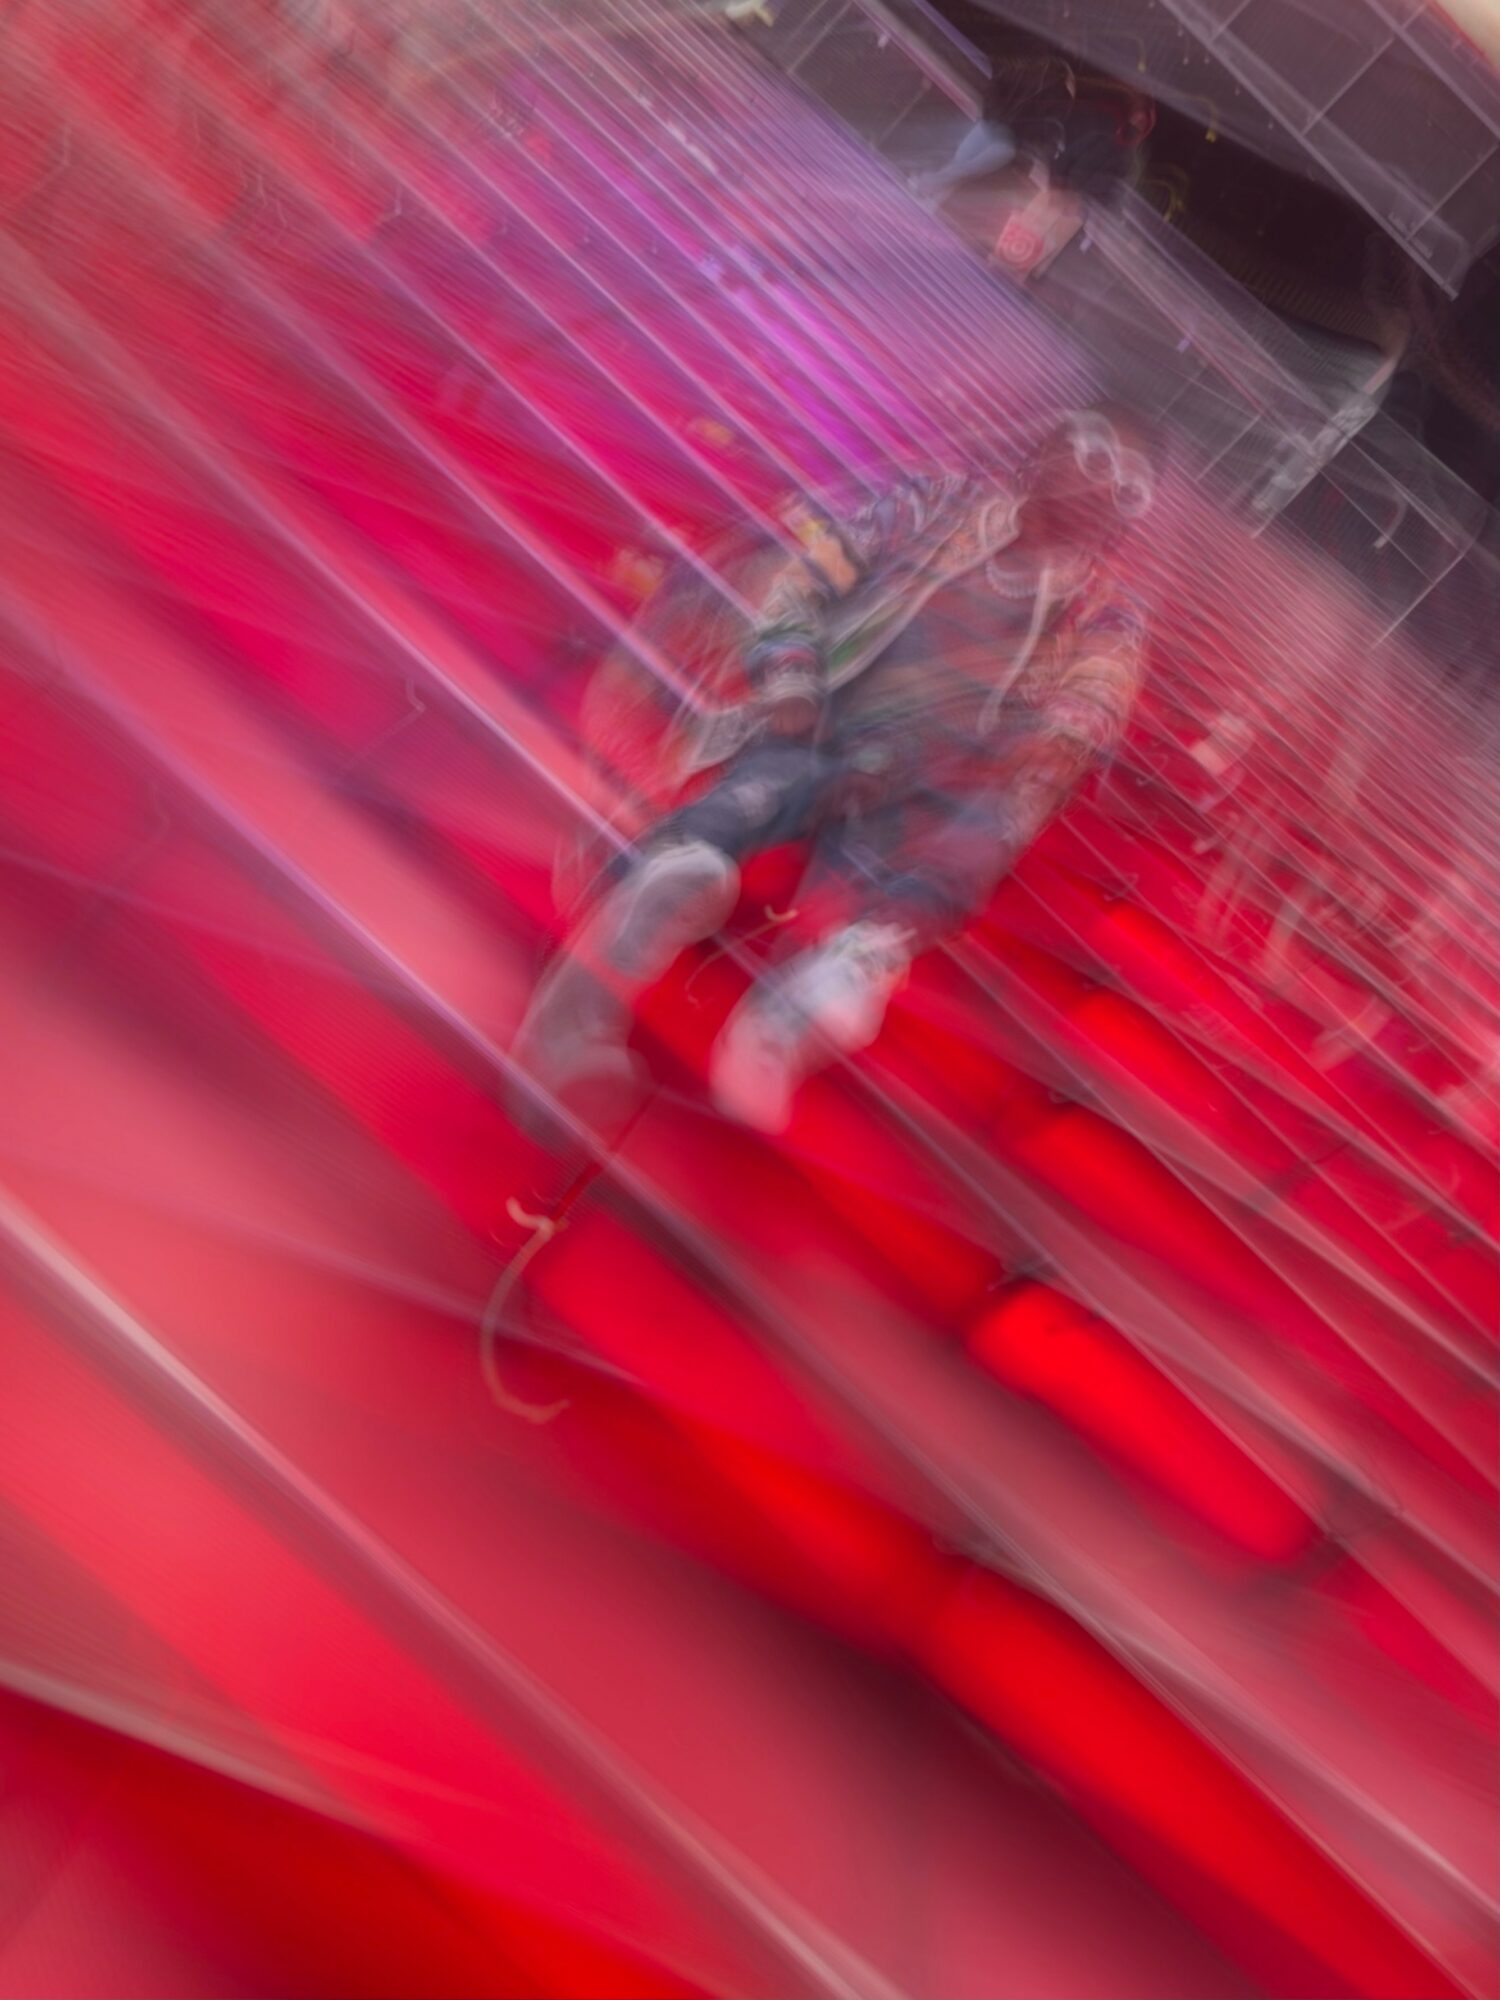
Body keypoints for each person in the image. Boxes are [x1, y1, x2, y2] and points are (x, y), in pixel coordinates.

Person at [513, 406, 1160, 1138]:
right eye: (1094, 461)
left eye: (1128, 489)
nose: (1103, 492)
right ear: (1043, 454)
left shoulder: (1107, 617)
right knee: (739, 813)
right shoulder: (935, 503)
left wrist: (1022, 774)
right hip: (819, 727)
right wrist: (791, 680)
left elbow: (1082, 718)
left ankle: (838, 974)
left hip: (925, 793)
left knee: (986, 824)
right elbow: (803, 578)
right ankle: (613, 973)